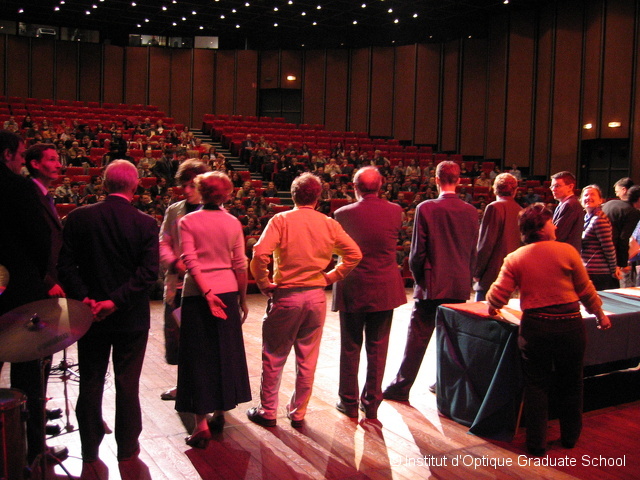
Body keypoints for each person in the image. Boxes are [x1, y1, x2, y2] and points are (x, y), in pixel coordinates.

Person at [486, 203, 611, 456]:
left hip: (535, 329)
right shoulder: (567, 251)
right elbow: (585, 289)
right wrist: (599, 314)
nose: (555, 225)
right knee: (572, 383)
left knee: (536, 386)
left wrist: (492, 307)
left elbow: (496, 297)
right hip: (570, 327)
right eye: (550, 221)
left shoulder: (515, 258)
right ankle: (570, 438)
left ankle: (536, 443)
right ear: (541, 228)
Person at [58, 160, 159, 472]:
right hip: (130, 317)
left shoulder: (78, 218)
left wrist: (86, 298)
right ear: (134, 186)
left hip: (90, 316)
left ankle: (89, 450)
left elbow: (64, 265)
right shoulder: (145, 223)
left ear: (104, 184)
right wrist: (114, 301)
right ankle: (127, 449)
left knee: (90, 381)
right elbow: (148, 274)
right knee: (127, 383)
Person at [247, 173, 362, 428]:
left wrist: (264, 284)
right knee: (308, 359)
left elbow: (259, 253)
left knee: (274, 356)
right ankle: (298, 413)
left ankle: (267, 411)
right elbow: (354, 254)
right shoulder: (328, 224)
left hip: (287, 296)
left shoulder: (281, 220)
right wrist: (330, 277)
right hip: (316, 297)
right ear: (318, 197)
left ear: (293, 194)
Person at [383, 161, 478, 401]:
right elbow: (472, 251)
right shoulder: (470, 211)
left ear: (436, 180)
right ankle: (448, 388)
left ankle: (401, 388)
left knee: (417, 338)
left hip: (432, 283)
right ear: (459, 180)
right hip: (458, 283)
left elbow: (416, 253)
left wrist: (419, 280)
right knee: (452, 338)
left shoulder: (426, 208)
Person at [176, 171, 251, 448]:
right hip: (228, 291)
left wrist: (206, 292)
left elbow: (190, 260)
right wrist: (242, 299)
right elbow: (240, 264)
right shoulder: (232, 223)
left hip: (197, 294)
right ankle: (221, 411)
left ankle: (201, 424)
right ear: (228, 194)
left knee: (197, 356)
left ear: (200, 191)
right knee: (225, 351)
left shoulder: (188, 221)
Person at [331, 167, 406, 420]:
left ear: (355, 186)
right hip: (384, 287)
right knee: (378, 347)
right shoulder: (395, 211)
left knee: (350, 346)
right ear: (381, 185)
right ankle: (372, 402)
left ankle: (348, 401)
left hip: (353, 286)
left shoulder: (342, 214)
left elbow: (336, 251)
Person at [0, 130, 54, 466]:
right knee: (27, 377)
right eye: (20, 154)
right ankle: (30, 451)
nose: (21, 159)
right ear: (7, 155)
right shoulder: (18, 188)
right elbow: (40, 240)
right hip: (18, 293)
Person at [158, 159, 210, 401]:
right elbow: (163, 242)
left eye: (192, 185)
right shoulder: (174, 210)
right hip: (178, 285)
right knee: (179, 339)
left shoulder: (213, 211)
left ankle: (203, 387)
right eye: (184, 186)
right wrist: (173, 262)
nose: (187, 191)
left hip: (204, 288)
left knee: (202, 341)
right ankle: (185, 385)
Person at [473, 173, 522, 301]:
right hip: (512, 275)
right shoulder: (521, 210)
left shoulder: (494, 207)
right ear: (515, 190)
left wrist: (477, 271)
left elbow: (486, 244)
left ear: (494, 189)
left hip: (493, 274)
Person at [601, 178, 640, 287]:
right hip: (611, 252)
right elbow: (624, 238)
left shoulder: (610, 203)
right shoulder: (633, 212)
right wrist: (623, 263)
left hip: (597, 247)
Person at [580, 185, 620, 291]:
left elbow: (608, 247)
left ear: (600, 201)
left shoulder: (599, 219)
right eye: (586, 195)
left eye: (593, 194)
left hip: (599, 273)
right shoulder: (586, 218)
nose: (588, 197)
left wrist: (613, 269)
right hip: (589, 270)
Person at [550, 171, 583, 252]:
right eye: (552, 186)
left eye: (557, 186)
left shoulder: (570, 205)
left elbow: (558, 235)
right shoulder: (565, 203)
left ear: (570, 187)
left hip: (566, 253)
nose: (553, 189)